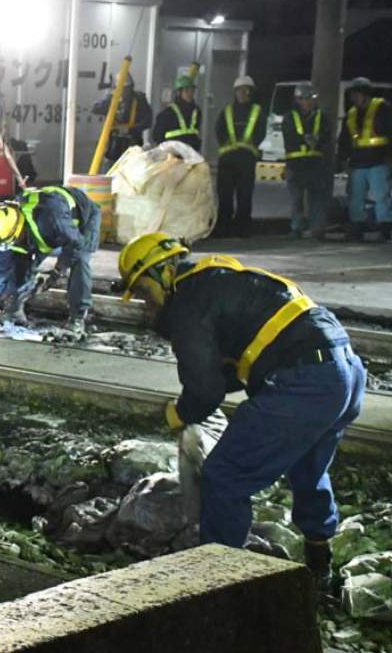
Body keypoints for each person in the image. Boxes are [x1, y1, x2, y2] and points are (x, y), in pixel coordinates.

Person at [117, 232, 366, 592]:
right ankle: (319, 564)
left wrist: (180, 413)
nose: (146, 304)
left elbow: (206, 389)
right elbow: (237, 369)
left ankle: (218, 588)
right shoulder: (221, 280)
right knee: (308, 468)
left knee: (224, 477)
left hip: (304, 380)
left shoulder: (188, 301)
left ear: (161, 273)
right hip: (344, 372)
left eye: (143, 291)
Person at [0, 184, 101, 336]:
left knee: (79, 261)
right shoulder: (9, 226)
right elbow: (0, 266)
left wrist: (58, 271)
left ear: (22, 231)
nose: (13, 244)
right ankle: (14, 309)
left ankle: (77, 318)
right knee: (20, 258)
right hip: (47, 227)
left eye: (15, 241)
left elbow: (75, 244)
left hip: (84, 221)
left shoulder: (54, 218)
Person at [338, 77, 392, 241]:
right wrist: (342, 160)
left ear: (365, 94)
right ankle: (357, 228)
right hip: (357, 163)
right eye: (353, 94)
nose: (353, 97)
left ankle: (386, 228)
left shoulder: (383, 108)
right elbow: (344, 139)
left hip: (378, 162)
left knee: (381, 197)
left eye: (356, 94)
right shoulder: (351, 114)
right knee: (355, 198)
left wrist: (389, 159)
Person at [214, 75, 265, 237]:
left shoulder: (257, 111)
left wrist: (252, 144)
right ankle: (224, 227)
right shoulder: (227, 111)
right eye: (239, 91)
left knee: (245, 195)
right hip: (227, 160)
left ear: (251, 92)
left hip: (246, 160)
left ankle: (242, 228)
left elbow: (261, 132)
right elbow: (218, 130)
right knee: (225, 196)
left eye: (245, 90)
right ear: (235, 92)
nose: (242, 93)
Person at [282, 83, 331, 239]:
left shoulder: (320, 116)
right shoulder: (290, 116)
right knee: (296, 199)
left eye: (311, 98)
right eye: (305, 99)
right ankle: (296, 228)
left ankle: (317, 229)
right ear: (298, 100)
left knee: (316, 198)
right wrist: (304, 139)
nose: (308, 102)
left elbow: (327, 134)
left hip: (315, 163)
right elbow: (288, 136)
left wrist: (318, 139)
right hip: (295, 164)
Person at [0, 247, 46, 330]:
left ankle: (8, 308)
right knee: (21, 271)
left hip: (23, 243)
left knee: (21, 271)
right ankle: (6, 308)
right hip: (12, 241)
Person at [91, 74, 153, 164]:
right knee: (112, 172)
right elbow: (95, 108)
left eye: (127, 88)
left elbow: (147, 121)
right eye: (122, 89)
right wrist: (111, 98)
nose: (125, 93)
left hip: (133, 144)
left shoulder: (139, 99)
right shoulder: (112, 99)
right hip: (114, 145)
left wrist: (130, 130)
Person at [152, 74, 201, 152]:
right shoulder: (168, 113)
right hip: (173, 154)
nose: (190, 93)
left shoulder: (196, 111)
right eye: (186, 90)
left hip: (191, 153)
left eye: (192, 90)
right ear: (179, 92)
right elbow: (157, 136)